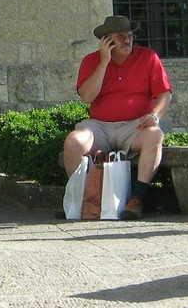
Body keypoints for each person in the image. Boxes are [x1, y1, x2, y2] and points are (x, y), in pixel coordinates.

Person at [62, 15, 172, 220]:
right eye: (120, 37)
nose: (127, 40)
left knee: (155, 135)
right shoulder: (91, 61)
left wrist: (155, 116)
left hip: (135, 127)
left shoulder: (148, 57)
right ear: (106, 41)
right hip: (99, 126)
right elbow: (87, 96)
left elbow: (164, 94)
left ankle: (136, 200)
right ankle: (81, 202)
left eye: (129, 36)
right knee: (73, 141)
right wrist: (104, 61)